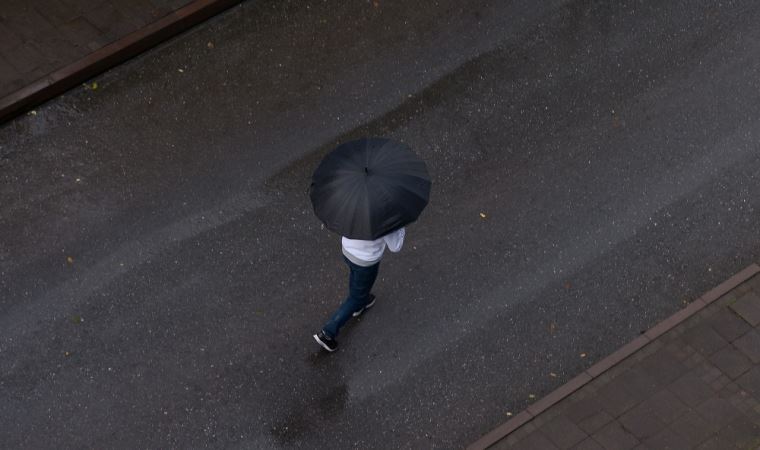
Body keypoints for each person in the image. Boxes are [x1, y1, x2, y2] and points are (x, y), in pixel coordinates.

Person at [313, 227, 406, 352]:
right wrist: (400, 227)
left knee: (356, 277)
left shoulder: (356, 207)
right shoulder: (386, 217)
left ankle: (359, 301)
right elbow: (396, 246)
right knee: (357, 295)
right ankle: (327, 333)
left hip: (347, 249)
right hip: (366, 262)